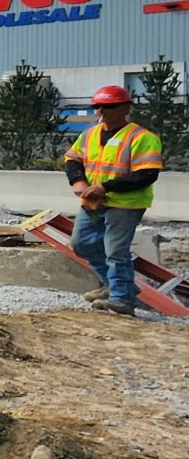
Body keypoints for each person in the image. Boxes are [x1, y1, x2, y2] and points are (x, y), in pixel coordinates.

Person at [63, 85, 165, 316]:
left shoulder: (142, 137)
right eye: (98, 106)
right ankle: (117, 285)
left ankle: (121, 299)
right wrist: (78, 182)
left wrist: (105, 187)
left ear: (125, 108)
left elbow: (147, 174)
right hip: (92, 201)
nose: (101, 111)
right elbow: (72, 159)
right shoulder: (90, 134)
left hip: (125, 204)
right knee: (82, 243)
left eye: (108, 106)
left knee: (116, 251)